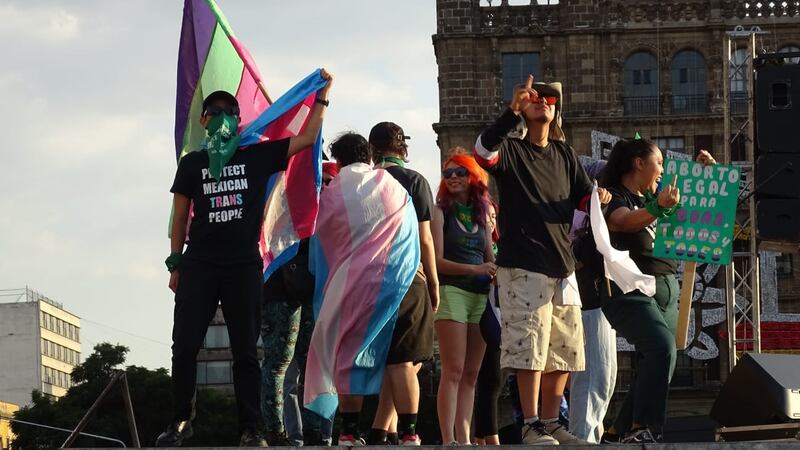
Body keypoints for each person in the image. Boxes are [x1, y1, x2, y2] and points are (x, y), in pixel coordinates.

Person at [156, 69, 333, 447]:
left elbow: (304, 139)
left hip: (243, 267)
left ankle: (250, 429)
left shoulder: (257, 156)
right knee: (184, 347)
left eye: (228, 110)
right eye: (213, 111)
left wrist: (321, 97)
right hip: (199, 265)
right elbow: (179, 214)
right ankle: (181, 421)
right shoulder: (192, 164)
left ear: (239, 120)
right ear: (203, 121)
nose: (221, 116)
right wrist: (175, 262)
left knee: (246, 353)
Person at [473, 75, 611, 446]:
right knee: (529, 345)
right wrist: (510, 112)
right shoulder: (512, 150)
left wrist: (599, 198)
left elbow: (583, 196)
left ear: (556, 109)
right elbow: (482, 152)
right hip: (523, 263)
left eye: (549, 98)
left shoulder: (565, 154)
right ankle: (530, 424)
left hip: (562, 266)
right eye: (536, 97)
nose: (543, 101)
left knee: (563, 349)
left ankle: (552, 422)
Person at [303, 132, 421, 447]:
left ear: (338, 161)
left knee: (348, 357)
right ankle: (410, 432)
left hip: (350, 288)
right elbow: (411, 231)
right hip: (397, 284)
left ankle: (349, 432)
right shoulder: (392, 185)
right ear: (370, 157)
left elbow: (321, 242)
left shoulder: (331, 193)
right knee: (400, 361)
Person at [599, 140, 715, 443]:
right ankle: (643, 428)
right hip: (629, 288)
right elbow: (622, 222)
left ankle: (616, 432)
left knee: (660, 359)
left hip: (665, 285)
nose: (662, 169)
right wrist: (656, 207)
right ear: (639, 163)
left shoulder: (655, 196)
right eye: (659, 162)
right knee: (661, 346)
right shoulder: (616, 196)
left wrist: (705, 176)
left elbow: (694, 210)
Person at [367, 122, 439, 446]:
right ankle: (410, 433)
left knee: (393, 359)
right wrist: (434, 282)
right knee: (406, 359)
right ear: (403, 148)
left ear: (372, 150)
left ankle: (383, 430)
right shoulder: (414, 181)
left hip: (368, 280)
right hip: (409, 277)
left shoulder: (364, 182)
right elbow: (425, 239)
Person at [260, 162, 339, 446]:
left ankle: (317, 433)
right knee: (281, 365)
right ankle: (280, 433)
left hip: (314, 295)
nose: (325, 186)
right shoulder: (278, 195)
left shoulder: (330, 208)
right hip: (280, 294)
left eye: (330, 181)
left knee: (314, 367)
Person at [431, 150, 495, 445]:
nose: (453, 177)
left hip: (480, 295)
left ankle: (465, 439)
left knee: (472, 373)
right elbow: (436, 261)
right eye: (448, 173)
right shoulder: (439, 212)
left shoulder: (483, 214)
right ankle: (448, 440)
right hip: (452, 291)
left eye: (460, 172)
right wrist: (476, 268)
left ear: (473, 177)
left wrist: (492, 270)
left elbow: (489, 257)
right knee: (453, 370)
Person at [567, 159, 618, 444]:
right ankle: (583, 437)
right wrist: (599, 208)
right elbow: (582, 252)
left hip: (602, 301)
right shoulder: (578, 214)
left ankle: (590, 435)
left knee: (604, 377)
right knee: (592, 377)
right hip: (588, 301)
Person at [474, 203, 502, 446]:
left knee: (493, 376)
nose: (490, 220)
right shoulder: (474, 247)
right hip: (477, 309)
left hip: (499, 313)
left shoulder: (499, 247)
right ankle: (488, 438)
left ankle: (481, 436)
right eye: (486, 216)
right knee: (488, 376)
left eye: (493, 216)